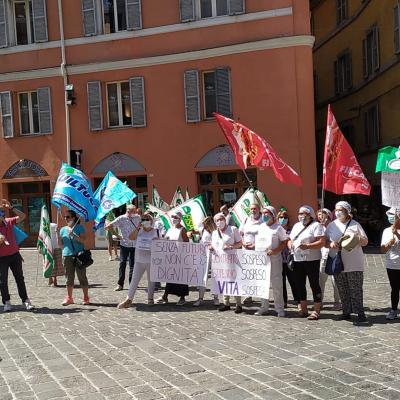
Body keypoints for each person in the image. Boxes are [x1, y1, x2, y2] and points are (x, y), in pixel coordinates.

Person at [325, 201, 368, 323]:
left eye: (340, 210)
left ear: (347, 211)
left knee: (356, 289)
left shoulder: (355, 225)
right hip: (338, 262)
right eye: (336, 210)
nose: (337, 212)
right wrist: (331, 244)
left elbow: (365, 242)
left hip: (354, 263)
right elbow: (325, 241)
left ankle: (360, 313)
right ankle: (346, 312)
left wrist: (357, 238)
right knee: (342, 289)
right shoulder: (332, 225)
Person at [288, 205, 325, 320]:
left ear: (310, 215)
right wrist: (290, 246)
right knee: (299, 284)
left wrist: (308, 246)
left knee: (314, 284)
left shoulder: (316, 226)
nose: (301, 216)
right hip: (297, 259)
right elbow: (290, 239)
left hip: (312, 259)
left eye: (304, 213)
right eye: (300, 213)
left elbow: (322, 242)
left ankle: (316, 310)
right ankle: (303, 309)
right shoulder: (296, 225)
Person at [117, 212, 160, 308]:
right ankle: (129, 299)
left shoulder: (156, 231)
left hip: (151, 260)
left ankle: (150, 298)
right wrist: (137, 227)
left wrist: (157, 242)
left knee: (151, 280)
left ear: (151, 221)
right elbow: (131, 238)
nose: (145, 221)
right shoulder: (139, 231)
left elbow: (160, 245)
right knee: (134, 280)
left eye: (147, 219)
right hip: (139, 260)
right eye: (143, 219)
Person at [0, 199, 35, 312]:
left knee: (20, 279)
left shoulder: (8, 222)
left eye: (1, 213)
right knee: (2, 281)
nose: (1, 216)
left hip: (15, 255)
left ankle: (25, 301)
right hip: (2, 258)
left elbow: (23, 216)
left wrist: (11, 208)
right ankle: (6, 302)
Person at [254, 206, 288, 317]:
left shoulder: (278, 228)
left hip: (274, 260)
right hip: (262, 260)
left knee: (277, 284)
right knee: (262, 284)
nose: (264, 215)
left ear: (272, 215)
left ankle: (279, 308)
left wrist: (274, 251)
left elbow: (284, 242)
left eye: (266, 213)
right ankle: (264, 307)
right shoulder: (261, 227)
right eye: (263, 213)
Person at [210, 212, 243, 313]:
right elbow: (214, 245)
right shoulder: (215, 233)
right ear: (215, 223)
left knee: (233, 281)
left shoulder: (233, 229)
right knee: (223, 281)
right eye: (217, 220)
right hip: (220, 261)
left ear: (225, 219)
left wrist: (231, 247)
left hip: (232, 261)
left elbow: (240, 243)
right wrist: (211, 247)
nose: (219, 222)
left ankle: (238, 304)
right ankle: (226, 303)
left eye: (221, 219)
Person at [156, 212, 189, 305]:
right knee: (170, 276)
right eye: (173, 217)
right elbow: (166, 239)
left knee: (181, 277)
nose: (173, 218)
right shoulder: (170, 229)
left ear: (179, 219)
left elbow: (186, 243)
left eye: (175, 217)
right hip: (170, 257)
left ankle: (182, 297)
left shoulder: (182, 229)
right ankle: (165, 296)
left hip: (180, 257)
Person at [105, 204, 140, 291]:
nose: (134, 213)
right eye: (133, 211)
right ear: (128, 211)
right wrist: (116, 235)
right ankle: (120, 284)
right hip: (124, 244)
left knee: (133, 265)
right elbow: (108, 227)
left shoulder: (137, 218)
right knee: (122, 263)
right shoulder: (121, 218)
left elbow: (144, 224)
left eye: (135, 211)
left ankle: (132, 284)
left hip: (135, 245)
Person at [59, 210, 90, 306]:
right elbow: (61, 245)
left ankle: (86, 297)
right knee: (69, 278)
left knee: (82, 277)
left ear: (73, 218)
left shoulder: (80, 227)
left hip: (79, 255)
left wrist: (74, 235)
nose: (66, 219)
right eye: (65, 217)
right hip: (67, 255)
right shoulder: (63, 229)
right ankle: (69, 298)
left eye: (68, 217)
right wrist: (57, 235)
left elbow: (84, 240)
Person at [317, 208, 341, 310]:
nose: (320, 216)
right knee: (321, 280)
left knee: (335, 280)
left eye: (323, 214)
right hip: (322, 256)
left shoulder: (334, 227)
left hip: (333, 256)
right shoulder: (317, 226)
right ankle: (320, 300)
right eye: (318, 214)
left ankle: (337, 301)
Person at [239, 203, 263, 305]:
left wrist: (256, 244)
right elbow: (241, 233)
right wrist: (243, 243)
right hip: (246, 251)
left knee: (259, 274)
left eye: (255, 209)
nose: (253, 210)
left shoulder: (263, 220)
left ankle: (263, 295)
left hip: (259, 251)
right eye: (251, 209)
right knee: (249, 273)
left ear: (259, 209)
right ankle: (249, 295)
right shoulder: (246, 220)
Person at [193, 216, 219, 306]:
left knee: (215, 276)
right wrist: (190, 232)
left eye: (205, 223)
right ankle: (200, 298)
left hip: (215, 255)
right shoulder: (203, 230)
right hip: (204, 255)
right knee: (202, 276)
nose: (203, 225)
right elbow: (193, 231)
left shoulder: (216, 231)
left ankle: (216, 298)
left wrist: (213, 246)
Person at [381, 208, 400, 320]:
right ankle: (393, 310)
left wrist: (397, 235)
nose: (391, 217)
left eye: (394, 215)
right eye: (390, 214)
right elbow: (382, 249)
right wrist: (389, 244)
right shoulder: (386, 231)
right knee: (395, 288)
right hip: (392, 264)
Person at [277, 208, 298, 307]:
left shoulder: (292, 229)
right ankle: (284, 301)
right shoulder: (276, 229)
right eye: (281, 217)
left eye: (285, 217)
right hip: (279, 259)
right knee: (281, 281)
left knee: (293, 280)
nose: (283, 219)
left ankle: (298, 299)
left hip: (289, 258)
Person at [48, 222, 64, 287]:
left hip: (51, 247)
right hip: (55, 247)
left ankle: (52, 278)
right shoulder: (56, 228)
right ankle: (53, 279)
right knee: (56, 264)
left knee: (51, 264)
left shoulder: (49, 227)